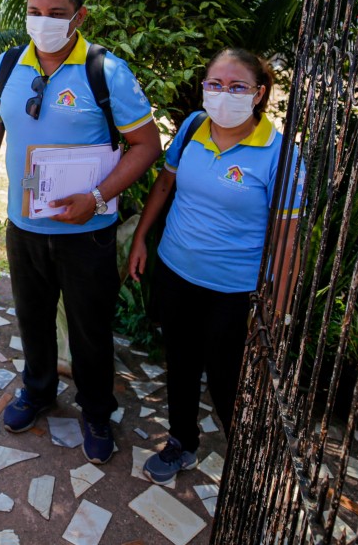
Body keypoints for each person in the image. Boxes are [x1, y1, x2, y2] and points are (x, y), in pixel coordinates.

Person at [0, 0, 162, 464]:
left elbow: (146, 146)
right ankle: (37, 391)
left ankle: (96, 411)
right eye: (35, 11)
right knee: (32, 320)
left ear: (79, 16)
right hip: (25, 228)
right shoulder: (8, 65)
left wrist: (96, 198)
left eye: (56, 14)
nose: (43, 22)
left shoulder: (106, 72)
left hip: (87, 233)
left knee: (89, 328)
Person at [126, 48, 302, 484]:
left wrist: (279, 312)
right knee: (181, 365)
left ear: (259, 94)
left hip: (232, 290)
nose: (224, 94)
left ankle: (247, 464)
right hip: (175, 272)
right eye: (215, 84)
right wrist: (142, 237)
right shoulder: (192, 128)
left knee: (227, 381)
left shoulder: (278, 154)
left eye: (237, 86)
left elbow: (286, 240)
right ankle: (181, 443)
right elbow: (165, 184)